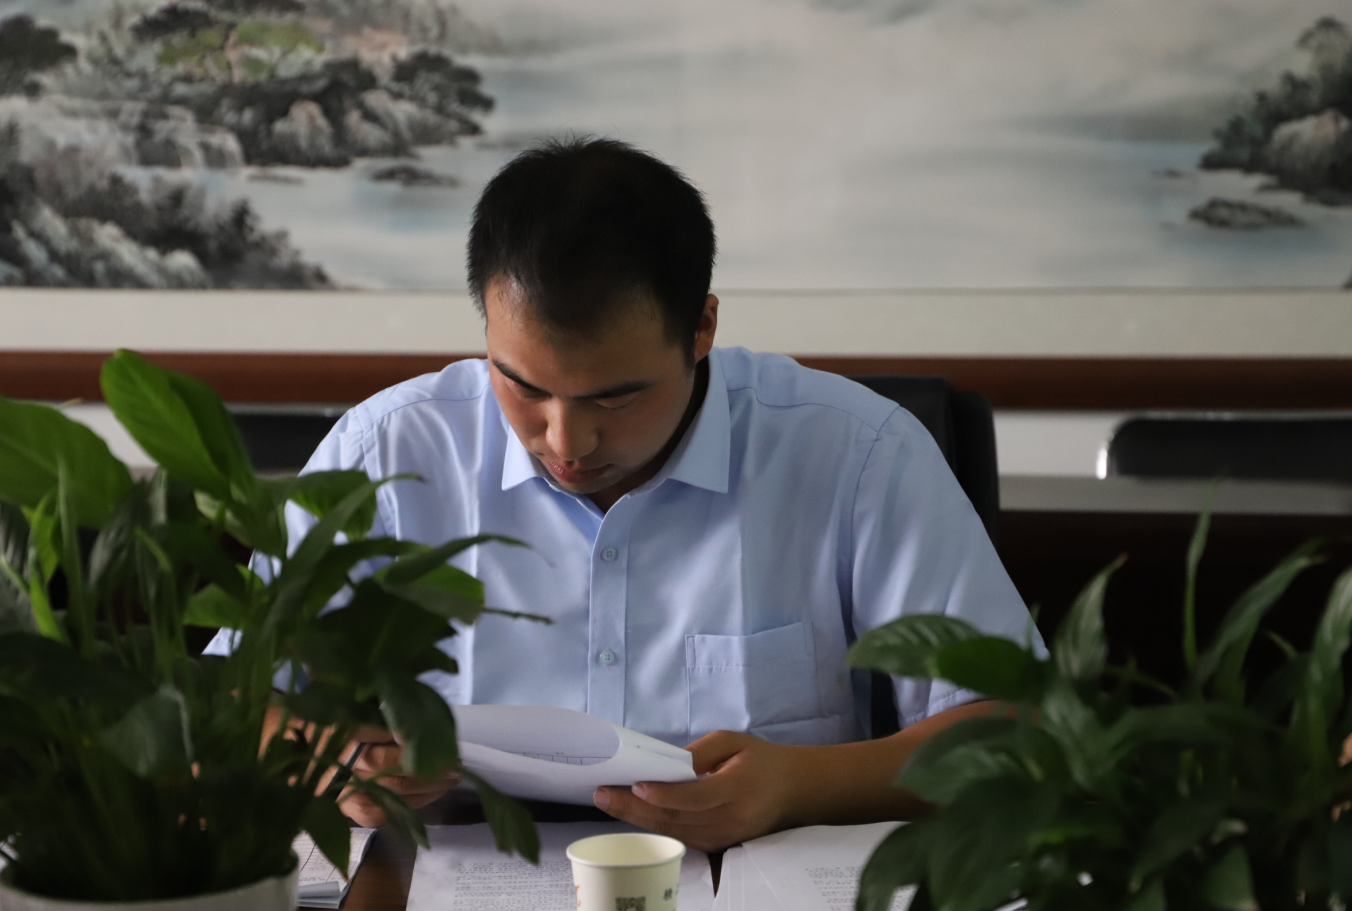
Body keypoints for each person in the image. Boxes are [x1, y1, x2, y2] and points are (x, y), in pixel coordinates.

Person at [216, 137, 1039, 852]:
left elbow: (1021, 729)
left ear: (702, 327)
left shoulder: (855, 453)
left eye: (614, 397)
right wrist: (331, 760)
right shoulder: (390, 450)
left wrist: (801, 784)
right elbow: (227, 702)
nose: (565, 440)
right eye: (523, 386)